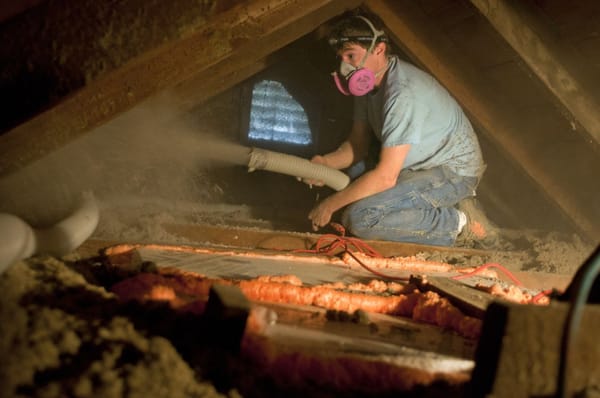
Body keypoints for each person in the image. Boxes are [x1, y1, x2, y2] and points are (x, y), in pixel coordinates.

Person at [305, 14, 496, 247]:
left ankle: (461, 223)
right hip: (418, 168)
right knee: (349, 192)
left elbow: (385, 177)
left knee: (362, 218)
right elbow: (357, 145)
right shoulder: (368, 87)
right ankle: (440, 207)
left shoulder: (402, 93)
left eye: (351, 55)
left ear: (379, 49)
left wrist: (329, 205)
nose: (344, 67)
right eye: (341, 58)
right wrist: (325, 164)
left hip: (453, 173)